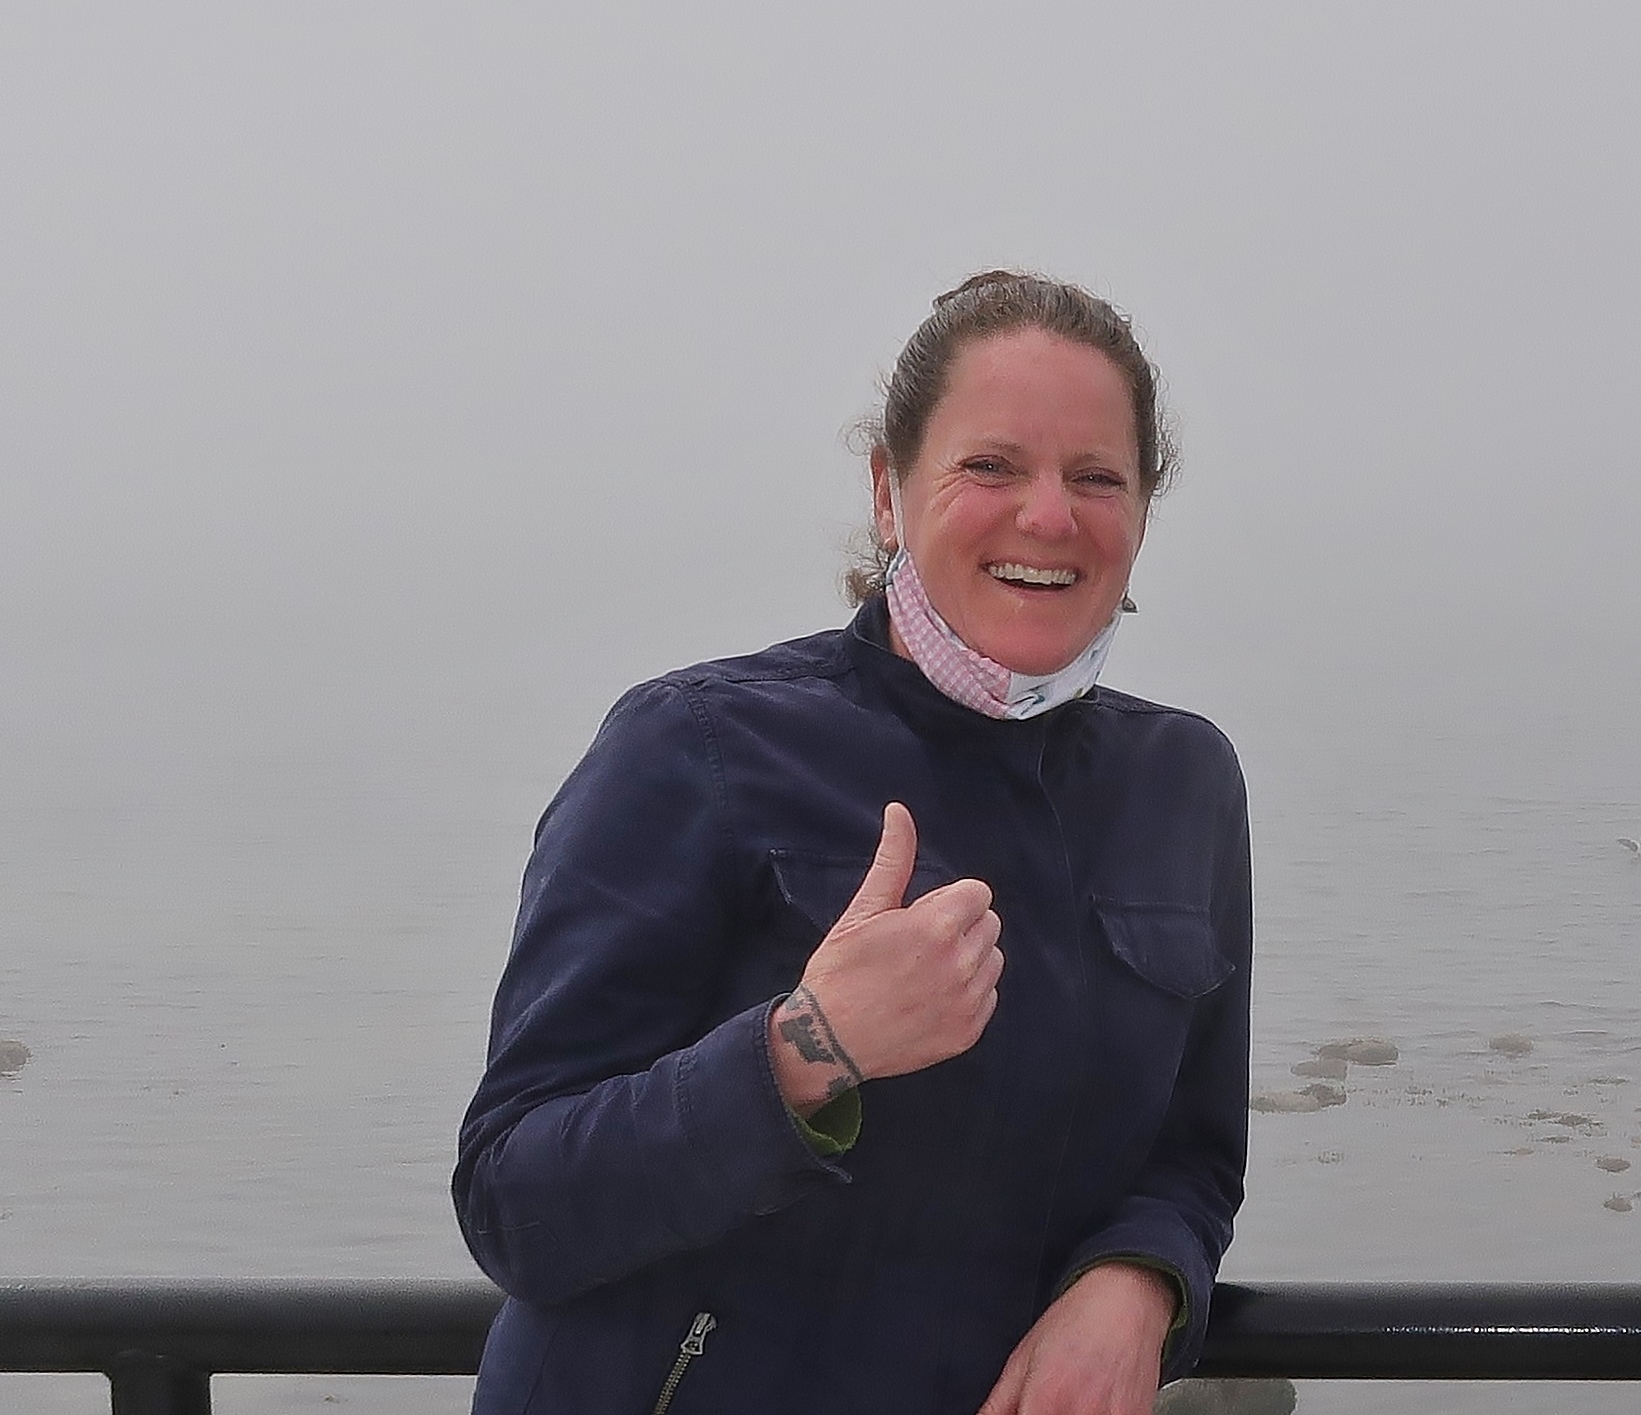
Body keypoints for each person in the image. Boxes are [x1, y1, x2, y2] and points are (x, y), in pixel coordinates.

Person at [453, 271, 1249, 1415]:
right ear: (888, 490)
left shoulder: (1182, 782)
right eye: (991, 466)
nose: (1048, 516)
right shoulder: (698, 746)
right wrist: (804, 1049)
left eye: (1095, 477)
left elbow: (1192, 1156)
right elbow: (512, 1202)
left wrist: (1137, 1283)